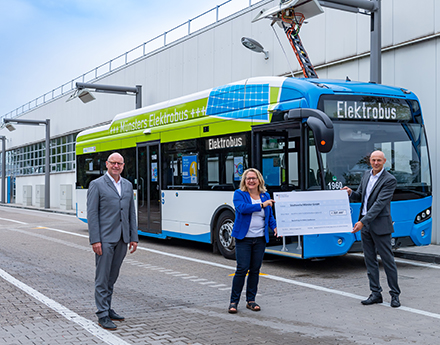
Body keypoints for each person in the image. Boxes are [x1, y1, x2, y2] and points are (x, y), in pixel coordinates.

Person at [342, 150, 401, 308]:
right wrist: (350, 193)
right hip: (366, 226)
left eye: (379, 161)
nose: (376, 163)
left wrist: (362, 221)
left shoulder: (390, 180)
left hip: (380, 225)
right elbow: (361, 195)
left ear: (384, 161)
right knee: (370, 261)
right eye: (373, 160)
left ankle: (395, 295)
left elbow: (379, 205)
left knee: (388, 261)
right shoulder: (366, 175)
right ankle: (375, 293)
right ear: (370, 161)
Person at [87, 152, 139, 330]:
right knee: (102, 278)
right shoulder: (97, 185)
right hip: (104, 239)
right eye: (113, 163)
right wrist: (95, 240)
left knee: (112, 276)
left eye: (120, 163)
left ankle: (107, 308)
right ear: (107, 164)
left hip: (122, 238)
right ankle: (102, 314)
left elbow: (131, 213)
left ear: (123, 166)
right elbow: (92, 215)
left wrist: (133, 237)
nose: (116, 166)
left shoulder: (127, 185)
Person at [228, 168, 277, 314]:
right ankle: (233, 301)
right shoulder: (239, 194)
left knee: (255, 270)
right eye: (248, 178)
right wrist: (262, 205)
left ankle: (251, 300)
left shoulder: (265, 195)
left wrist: (274, 227)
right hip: (244, 239)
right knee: (242, 269)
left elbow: (270, 217)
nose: (251, 181)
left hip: (260, 239)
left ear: (259, 180)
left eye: (253, 178)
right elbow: (242, 208)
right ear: (244, 180)